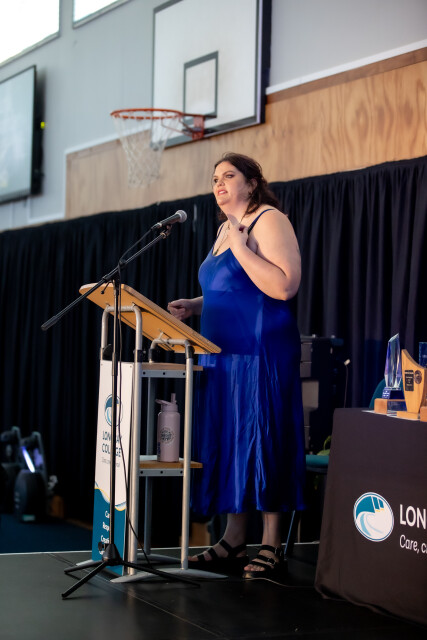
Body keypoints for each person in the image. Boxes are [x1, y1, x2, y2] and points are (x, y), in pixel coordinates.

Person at [168, 153, 305, 578]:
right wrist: (196, 305)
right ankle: (233, 540)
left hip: (261, 352)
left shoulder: (269, 220)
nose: (219, 184)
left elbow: (284, 285)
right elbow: (233, 289)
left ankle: (271, 543)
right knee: (230, 444)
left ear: (252, 183)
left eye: (229, 176)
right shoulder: (224, 229)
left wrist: (242, 248)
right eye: (215, 179)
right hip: (221, 355)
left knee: (264, 439)